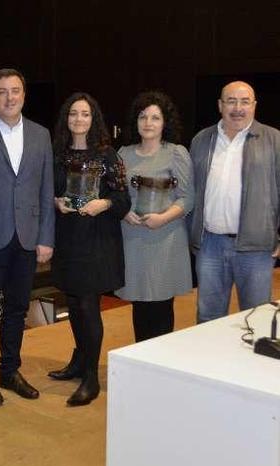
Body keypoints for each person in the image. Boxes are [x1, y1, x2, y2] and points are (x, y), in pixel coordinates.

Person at [0, 68, 55, 407]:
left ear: (24, 94)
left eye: (15, 91)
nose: (9, 97)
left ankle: (10, 370)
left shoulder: (40, 134)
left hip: (28, 237)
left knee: (18, 309)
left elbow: (46, 189)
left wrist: (45, 237)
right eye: (1, 92)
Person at [51, 92, 130, 406]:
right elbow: (50, 192)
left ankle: (91, 378)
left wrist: (103, 203)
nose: (78, 120)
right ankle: (79, 361)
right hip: (69, 238)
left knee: (88, 306)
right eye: (73, 114)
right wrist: (56, 201)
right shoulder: (57, 154)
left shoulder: (107, 155)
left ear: (93, 118)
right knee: (73, 302)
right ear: (66, 119)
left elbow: (124, 201)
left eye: (85, 114)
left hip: (97, 240)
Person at [189, 81, 280, 323]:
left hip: (257, 248)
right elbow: (190, 191)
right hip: (209, 246)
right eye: (231, 101)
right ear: (220, 105)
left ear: (254, 106)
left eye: (245, 101)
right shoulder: (201, 140)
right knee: (208, 317)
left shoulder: (274, 140)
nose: (238, 108)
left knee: (256, 318)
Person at [115, 91, 193, 342]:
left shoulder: (176, 153)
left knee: (161, 306)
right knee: (139, 305)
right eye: (143, 117)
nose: (148, 123)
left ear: (164, 123)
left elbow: (187, 198)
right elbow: (115, 194)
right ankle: (141, 363)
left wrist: (164, 218)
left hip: (165, 239)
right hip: (133, 239)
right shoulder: (123, 154)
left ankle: (160, 366)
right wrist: (124, 212)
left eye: (155, 118)